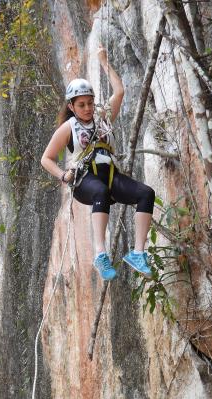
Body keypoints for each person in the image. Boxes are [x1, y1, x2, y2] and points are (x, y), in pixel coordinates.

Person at [41, 45, 155, 281]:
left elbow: (120, 91)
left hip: (110, 174)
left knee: (146, 193)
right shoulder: (68, 128)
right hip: (85, 180)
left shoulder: (103, 117)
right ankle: (101, 255)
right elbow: (46, 158)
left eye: (90, 103)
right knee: (100, 191)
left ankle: (138, 253)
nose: (87, 108)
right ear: (71, 106)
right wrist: (63, 175)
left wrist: (104, 62)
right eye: (81, 105)